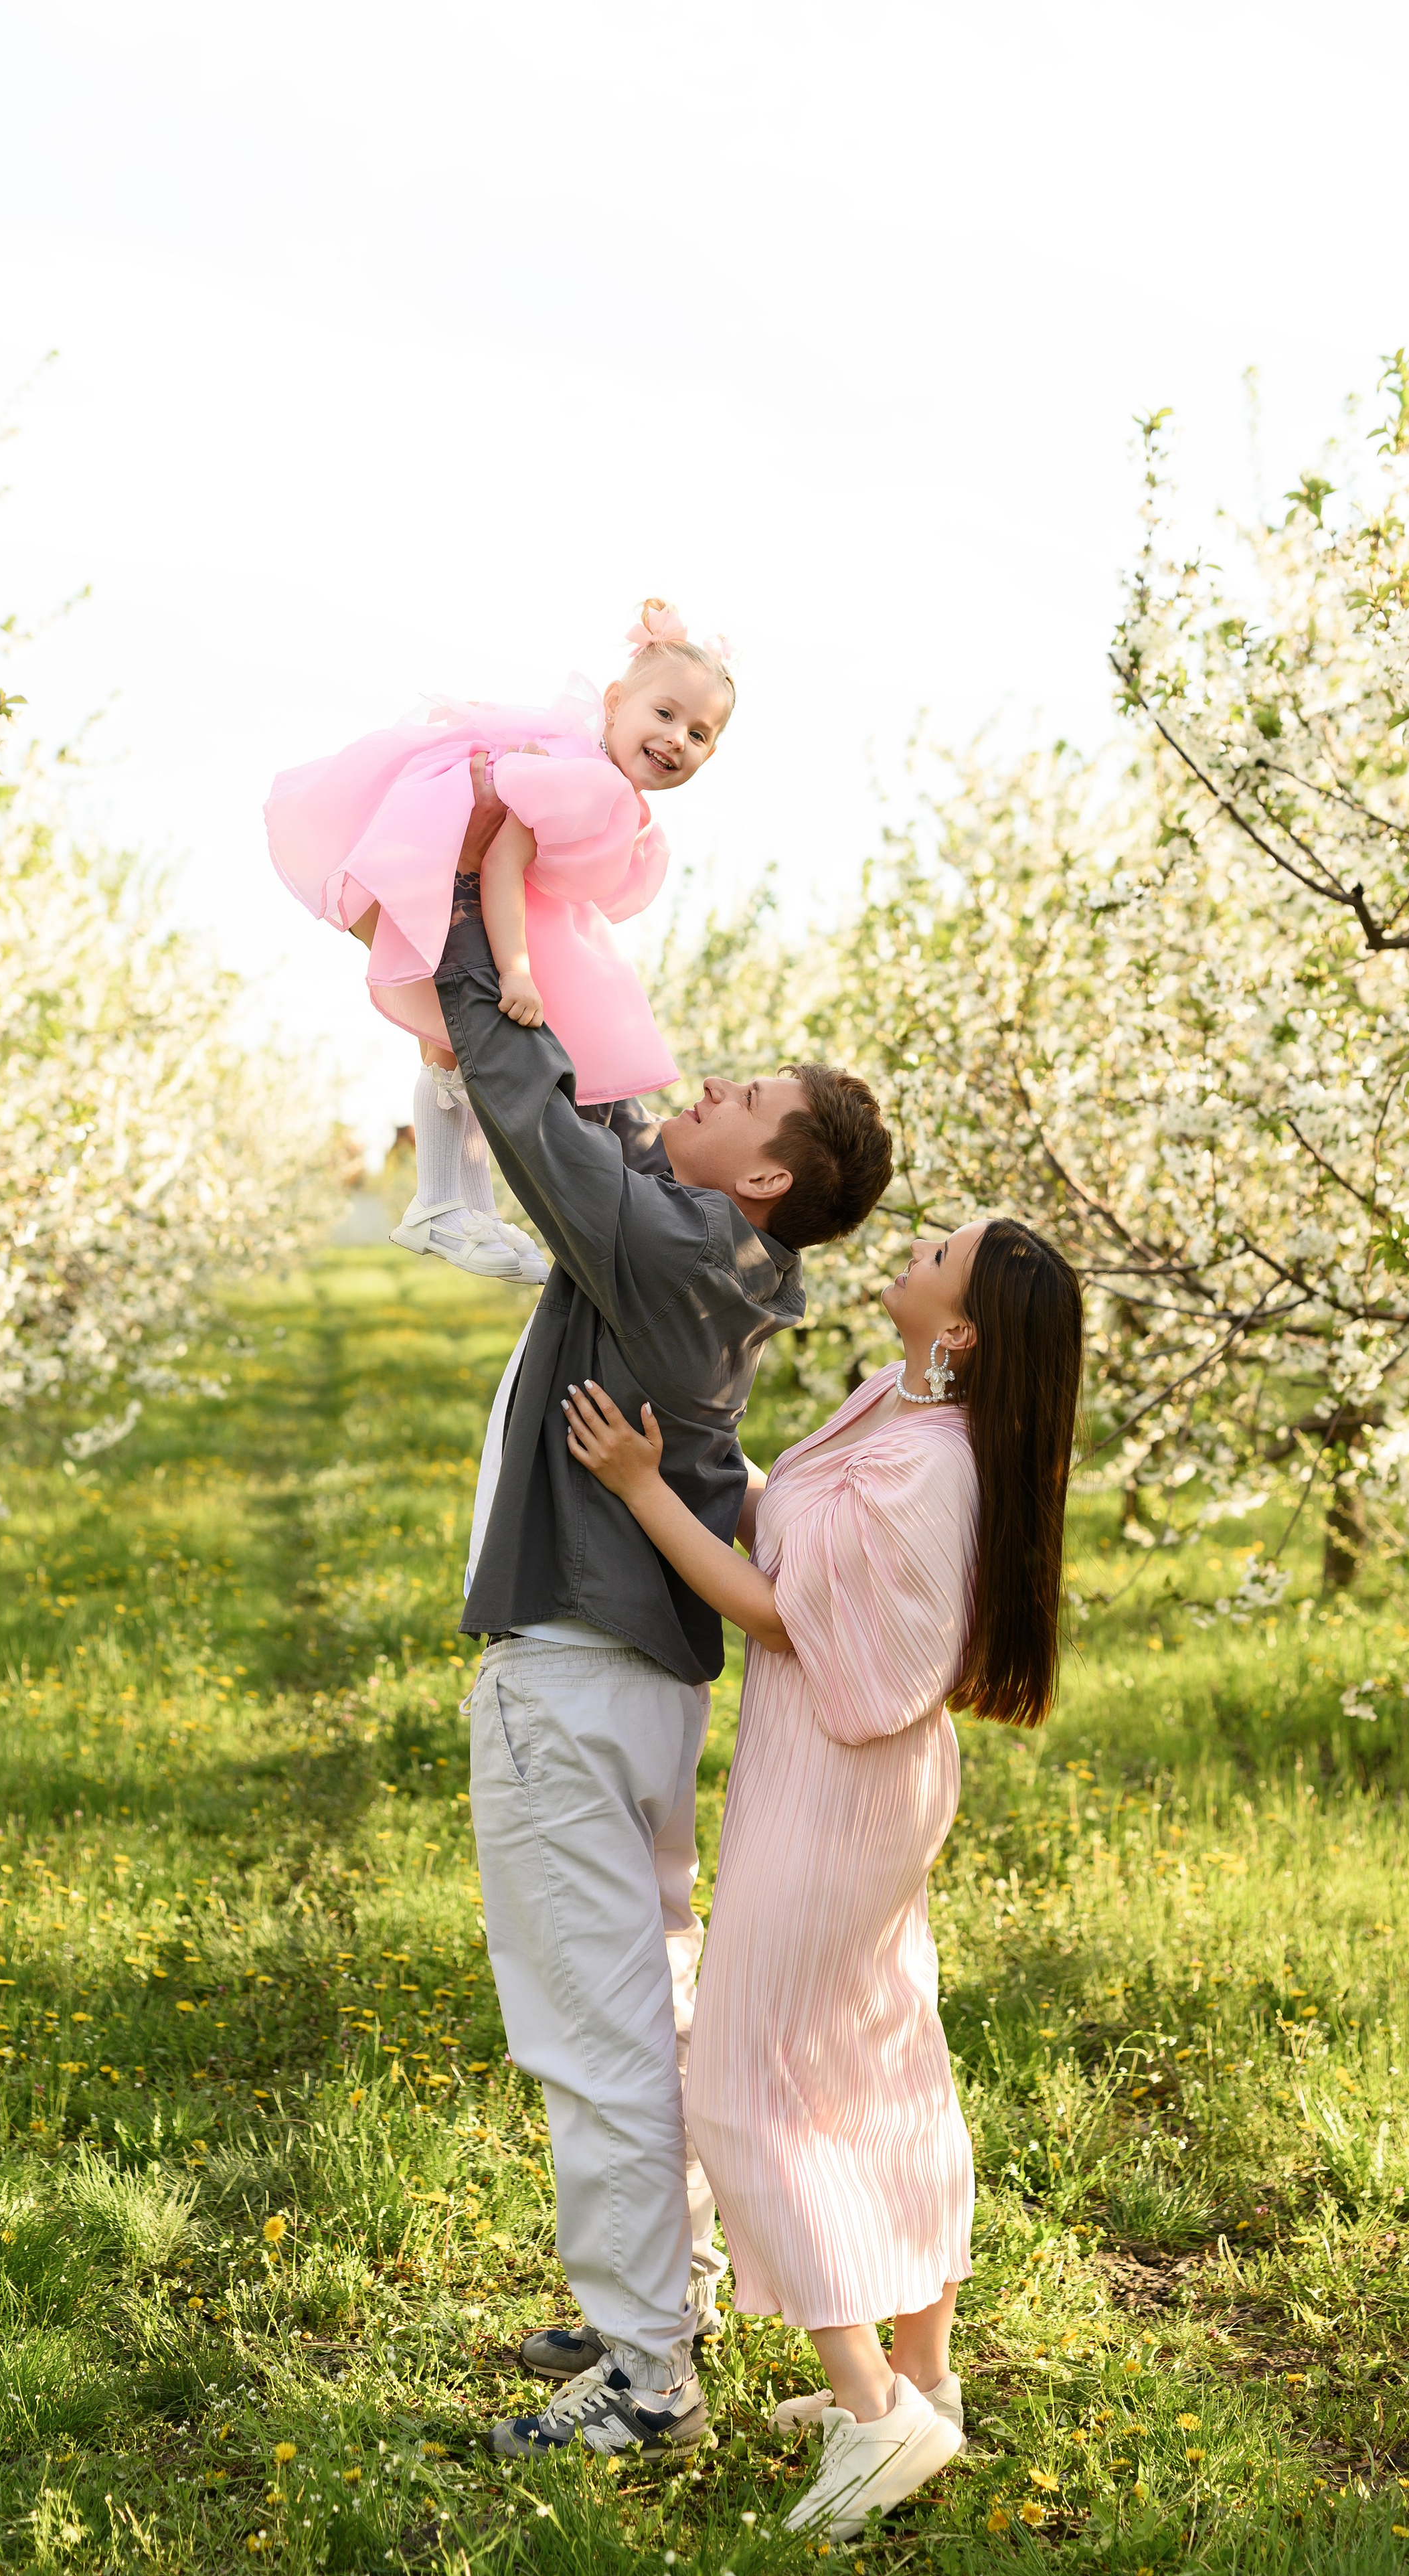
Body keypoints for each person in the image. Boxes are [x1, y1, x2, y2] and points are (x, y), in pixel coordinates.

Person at [424, 756, 894, 2463]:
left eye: (738, 1095)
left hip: (567, 1676)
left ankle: (643, 2378)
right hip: (627, 1675)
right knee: (644, 1994)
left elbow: (527, 1095)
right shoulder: (718, 1253)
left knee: (590, 2023)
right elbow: (600, 1118)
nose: (698, 1085)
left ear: (760, 1178)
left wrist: (466, 882)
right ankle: (659, 2295)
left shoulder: (678, 1252)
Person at [563, 1216, 1083, 2539]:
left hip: (838, 1784)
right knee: (874, 2059)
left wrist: (638, 1489)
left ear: (958, 1333)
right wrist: (687, 1444)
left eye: (935, 1257)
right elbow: (783, 1518)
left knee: (742, 2077)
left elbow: (776, 1609)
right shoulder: (893, 1409)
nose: (909, 1253)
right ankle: (922, 2373)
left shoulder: (930, 1467)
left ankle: (872, 2415)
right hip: (836, 1772)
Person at [265, 598, 733, 1285]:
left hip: (480, 893)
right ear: (613, 704)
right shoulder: (581, 777)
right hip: (454, 879)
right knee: (459, 1049)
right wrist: (517, 970)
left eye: (698, 734)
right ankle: (438, 1200)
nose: (675, 740)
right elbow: (505, 861)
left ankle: (467, 1206)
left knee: (466, 1054)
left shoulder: (605, 785)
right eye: (663, 714)